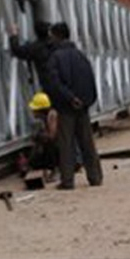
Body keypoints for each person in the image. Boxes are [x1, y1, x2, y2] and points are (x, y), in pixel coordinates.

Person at [44, 22, 103, 190]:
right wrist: (86, 101)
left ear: (56, 36)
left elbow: (55, 83)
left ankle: (68, 181)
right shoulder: (80, 55)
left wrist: (71, 98)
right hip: (82, 107)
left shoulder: (55, 58)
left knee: (66, 144)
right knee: (87, 143)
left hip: (66, 107)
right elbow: (89, 79)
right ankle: (95, 177)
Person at [9, 21, 54, 90]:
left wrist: (14, 35)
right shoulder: (56, 45)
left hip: (45, 84)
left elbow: (17, 51)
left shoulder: (35, 48)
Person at [25, 91, 59, 182]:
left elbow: (52, 137)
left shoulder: (52, 115)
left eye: (34, 110)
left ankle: (54, 169)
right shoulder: (42, 119)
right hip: (53, 146)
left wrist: (39, 135)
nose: (33, 112)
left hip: (58, 149)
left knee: (49, 146)